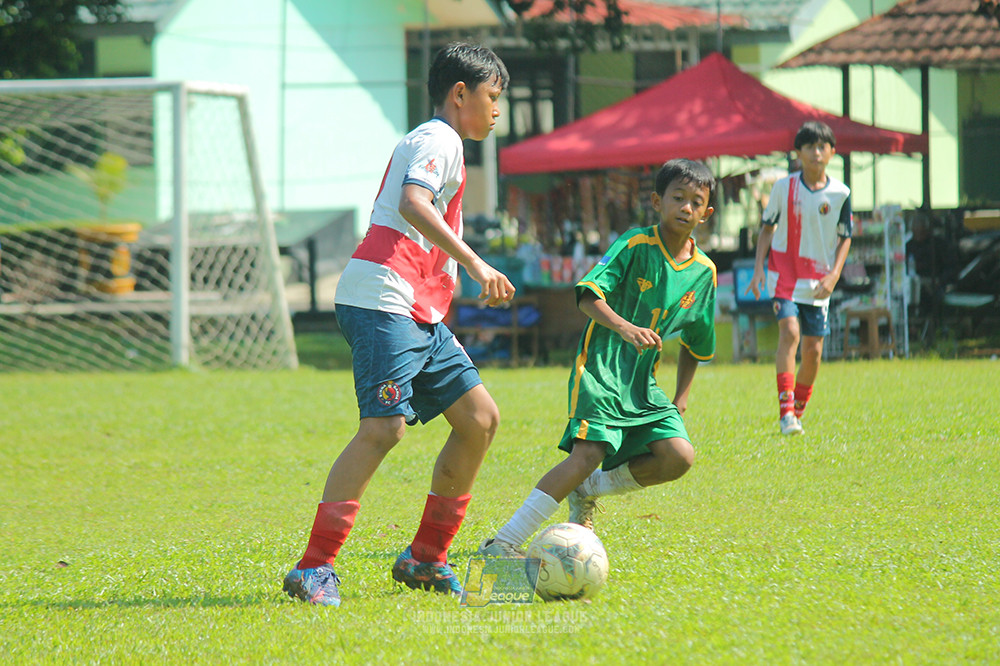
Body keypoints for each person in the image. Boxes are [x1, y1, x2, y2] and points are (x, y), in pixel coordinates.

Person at [282, 42, 514, 607]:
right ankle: (313, 569)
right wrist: (475, 262)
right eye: (492, 96)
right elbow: (415, 202)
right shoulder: (442, 138)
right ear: (460, 94)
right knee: (383, 428)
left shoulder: (437, 139)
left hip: (416, 310)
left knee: (479, 419)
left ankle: (425, 559)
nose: (497, 110)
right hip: (384, 299)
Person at [479, 159, 717, 556]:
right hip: (602, 366)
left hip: (642, 381)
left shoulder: (704, 272)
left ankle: (588, 488)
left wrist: (683, 394)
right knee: (588, 453)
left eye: (696, 202)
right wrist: (625, 327)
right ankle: (503, 542)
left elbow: (696, 340)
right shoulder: (635, 244)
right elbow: (588, 295)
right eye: (678, 198)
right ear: (658, 201)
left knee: (678, 456)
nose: (686, 208)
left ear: (707, 213)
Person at [746, 120, 853, 436]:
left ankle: (796, 413)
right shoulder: (783, 187)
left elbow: (846, 236)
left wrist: (834, 274)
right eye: (809, 146)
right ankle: (785, 414)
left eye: (822, 147)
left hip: (819, 281)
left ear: (832, 152)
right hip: (785, 275)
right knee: (790, 332)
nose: (816, 153)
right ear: (798, 152)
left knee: (814, 352)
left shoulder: (841, 193)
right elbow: (767, 229)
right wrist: (758, 270)